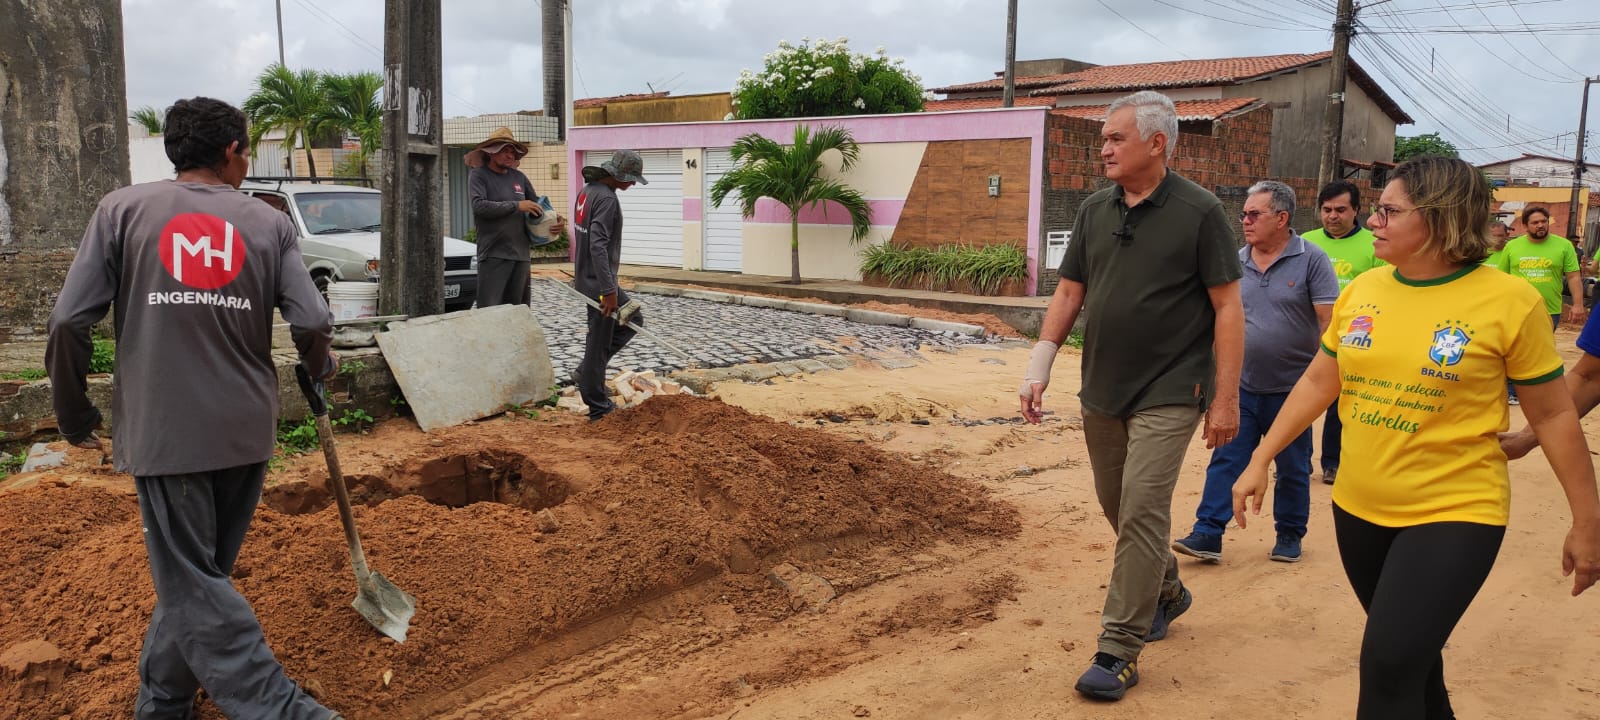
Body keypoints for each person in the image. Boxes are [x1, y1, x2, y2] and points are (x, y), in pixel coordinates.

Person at [1231, 156, 1600, 718]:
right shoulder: (1365, 291)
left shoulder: (1508, 301)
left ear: (1440, 219)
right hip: (1360, 506)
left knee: (1386, 668)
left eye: (1388, 211)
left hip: (1456, 508)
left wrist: (1587, 522)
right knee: (1414, 666)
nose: (1371, 222)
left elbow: (1552, 417)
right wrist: (1262, 456)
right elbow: (1318, 381)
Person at [45, 97, 342, 719]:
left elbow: (71, 320)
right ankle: (165, 701)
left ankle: (284, 711)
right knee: (199, 577)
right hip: (244, 430)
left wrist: (75, 414)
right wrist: (320, 369)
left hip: (165, 432)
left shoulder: (122, 210)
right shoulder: (267, 222)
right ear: (232, 151)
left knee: (192, 581)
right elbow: (312, 319)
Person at [1018, 90, 1243, 702]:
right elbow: (1068, 294)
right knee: (1117, 504)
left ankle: (1119, 646)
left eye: (1116, 138)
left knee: (1143, 509)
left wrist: (1225, 398)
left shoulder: (1200, 213)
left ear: (1157, 142)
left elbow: (1227, 307)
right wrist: (1039, 367)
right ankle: (1167, 589)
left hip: (1172, 386)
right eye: (1104, 139)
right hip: (1103, 387)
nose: (1105, 148)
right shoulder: (1095, 210)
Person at [1172, 181, 1338, 565]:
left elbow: (1328, 323)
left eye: (1253, 214)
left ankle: (1290, 534)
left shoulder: (1312, 259)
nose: (1244, 220)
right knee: (1226, 458)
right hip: (1242, 385)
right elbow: (1217, 319)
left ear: (1281, 218)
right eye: (1244, 214)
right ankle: (1208, 533)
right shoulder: (1235, 260)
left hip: (1293, 389)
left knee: (1293, 465)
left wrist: (1326, 383)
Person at [1301, 180, 1383, 486]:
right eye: (1326, 210)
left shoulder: (1374, 244)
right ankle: (1299, 461)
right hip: (1307, 336)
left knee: (1339, 404)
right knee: (1302, 399)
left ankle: (1333, 462)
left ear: (1356, 211)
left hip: (1353, 339)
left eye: (1340, 209)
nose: (1332, 216)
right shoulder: (1304, 243)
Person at [573, 150, 649, 421]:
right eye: (629, 179)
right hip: (599, 282)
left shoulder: (588, 191)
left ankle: (588, 371)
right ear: (617, 175)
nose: (631, 184)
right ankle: (597, 404)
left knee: (634, 318)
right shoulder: (606, 199)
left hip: (586, 277)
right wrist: (609, 290)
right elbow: (597, 244)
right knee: (598, 340)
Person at [466, 126, 564, 308]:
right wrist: (516, 205)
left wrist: (554, 221)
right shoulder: (478, 176)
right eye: (504, 150)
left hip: (521, 256)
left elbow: (536, 208)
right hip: (494, 254)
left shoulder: (519, 178)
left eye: (512, 151)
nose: (510, 155)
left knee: (518, 310)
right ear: (491, 152)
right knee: (491, 311)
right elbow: (479, 206)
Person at [1498, 205, 1584, 328]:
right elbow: (1502, 277)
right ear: (1525, 226)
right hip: (1517, 309)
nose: (1540, 225)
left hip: (1549, 310)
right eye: (1535, 222)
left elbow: (1573, 277)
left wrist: (1578, 305)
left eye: (1544, 221)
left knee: (1542, 346)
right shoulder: (1512, 246)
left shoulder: (1564, 245)